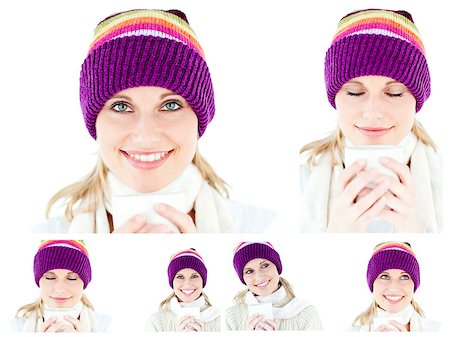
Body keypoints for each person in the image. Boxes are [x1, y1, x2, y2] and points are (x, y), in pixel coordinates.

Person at [34, 9, 279, 234]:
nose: (146, 135)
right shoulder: (46, 236)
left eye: (170, 105)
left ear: (199, 118)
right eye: (121, 106)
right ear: (95, 121)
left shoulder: (261, 228)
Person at [299, 9, 442, 233]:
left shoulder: (444, 176)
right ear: (335, 98)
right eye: (355, 93)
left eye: (394, 93)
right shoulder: (301, 178)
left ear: (417, 99)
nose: (372, 112)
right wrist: (336, 235)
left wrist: (415, 232)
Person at [12, 240, 110, 332]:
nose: (60, 289)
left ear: (84, 282)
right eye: (50, 278)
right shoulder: (14, 328)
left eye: (72, 278)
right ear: (39, 281)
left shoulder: (106, 326)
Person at [225, 241, 322, 331]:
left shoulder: (306, 313)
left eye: (265, 266)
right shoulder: (232, 317)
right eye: (249, 271)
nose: (259, 277)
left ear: (277, 266)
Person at [352, 241, 440, 331]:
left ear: (414, 285)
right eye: (384, 276)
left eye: (404, 277)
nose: (394, 288)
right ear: (372, 284)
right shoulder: (349, 331)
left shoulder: (438, 330)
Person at [146, 248, 220, 332]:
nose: (187, 284)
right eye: (180, 277)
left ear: (203, 281)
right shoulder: (157, 322)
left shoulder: (220, 319)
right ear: (172, 282)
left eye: (194, 276)